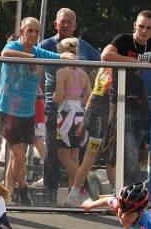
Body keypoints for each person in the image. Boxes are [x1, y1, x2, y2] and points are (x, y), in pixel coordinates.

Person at [99, 10, 151, 187]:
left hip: (140, 104)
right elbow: (105, 56)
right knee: (121, 151)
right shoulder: (123, 40)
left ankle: (134, 191)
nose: (144, 31)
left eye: (148, 28)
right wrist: (134, 63)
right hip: (119, 101)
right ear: (135, 26)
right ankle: (128, 191)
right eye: (141, 26)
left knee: (144, 145)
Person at [0, 17, 61, 205]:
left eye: (36, 31)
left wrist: (71, 56)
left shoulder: (38, 51)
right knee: (18, 154)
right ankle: (23, 191)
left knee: (16, 156)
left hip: (27, 111)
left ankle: (7, 195)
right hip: (9, 109)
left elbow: (58, 58)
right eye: (29, 30)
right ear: (21, 31)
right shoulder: (15, 46)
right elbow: (4, 53)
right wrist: (32, 58)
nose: (33, 34)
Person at [38, 7, 99, 197]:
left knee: (71, 153)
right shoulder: (46, 44)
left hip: (72, 109)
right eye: (62, 21)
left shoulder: (82, 45)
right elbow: (37, 68)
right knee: (54, 150)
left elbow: (100, 62)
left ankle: (80, 190)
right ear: (55, 24)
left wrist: (88, 93)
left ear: (75, 25)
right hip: (53, 106)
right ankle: (53, 191)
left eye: (69, 21)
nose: (65, 25)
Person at [60, 67, 112, 207]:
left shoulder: (104, 70)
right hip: (99, 117)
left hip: (96, 114)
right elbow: (99, 95)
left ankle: (77, 192)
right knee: (90, 156)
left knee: (101, 157)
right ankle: (76, 193)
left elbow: (94, 94)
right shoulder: (108, 71)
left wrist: (85, 117)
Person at [53, 37, 91, 202]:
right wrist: (78, 100)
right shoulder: (83, 74)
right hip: (80, 113)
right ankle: (72, 195)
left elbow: (59, 96)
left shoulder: (61, 72)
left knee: (63, 155)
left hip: (66, 114)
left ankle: (82, 188)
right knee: (74, 155)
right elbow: (90, 96)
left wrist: (55, 96)